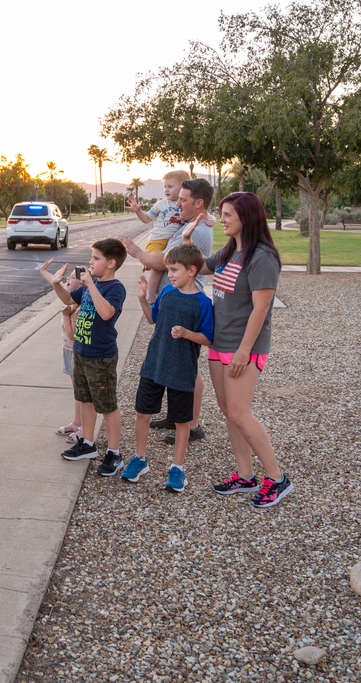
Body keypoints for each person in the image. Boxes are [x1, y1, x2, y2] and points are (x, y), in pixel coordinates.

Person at [182, 192, 292, 508]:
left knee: (241, 413)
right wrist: (188, 238)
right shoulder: (231, 250)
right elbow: (201, 267)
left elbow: (261, 308)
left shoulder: (262, 257)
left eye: (228, 214)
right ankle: (245, 475)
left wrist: (245, 350)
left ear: (247, 216)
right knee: (229, 409)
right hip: (220, 342)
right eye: (222, 213)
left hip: (244, 347)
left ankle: (277, 478)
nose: (223, 219)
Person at [121, 177, 214, 445]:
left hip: (185, 304)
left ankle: (191, 424)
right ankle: (178, 417)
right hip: (173, 299)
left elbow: (162, 261)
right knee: (178, 361)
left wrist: (137, 251)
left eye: (183, 200)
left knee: (187, 367)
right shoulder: (191, 223)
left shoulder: (196, 230)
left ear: (198, 203)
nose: (178, 203)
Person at [120, 242, 214, 492]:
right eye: (168, 270)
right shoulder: (167, 294)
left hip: (182, 370)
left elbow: (207, 337)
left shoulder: (203, 303)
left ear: (191, 271)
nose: (169, 275)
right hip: (154, 364)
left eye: (174, 270)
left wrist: (186, 333)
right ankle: (140, 459)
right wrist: (142, 299)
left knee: (182, 420)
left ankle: (177, 468)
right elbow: (153, 319)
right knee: (142, 412)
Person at [39, 238, 127, 476]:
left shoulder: (114, 287)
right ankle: (87, 443)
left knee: (107, 405)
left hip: (101, 357)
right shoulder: (91, 285)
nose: (90, 263)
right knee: (86, 400)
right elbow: (68, 299)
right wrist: (57, 284)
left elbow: (107, 313)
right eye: (91, 258)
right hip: (81, 352)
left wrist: (91, 285)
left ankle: (114, 453)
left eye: (96, 259)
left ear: (110, 263)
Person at [125, 169, 191, 303]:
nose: (166, 189)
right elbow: (146, 219)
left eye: (170, 186)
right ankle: (151, 296)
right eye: (165, 187)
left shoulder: (185, 205)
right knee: (158, 267)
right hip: (157, 240)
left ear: (184, 187)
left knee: (170, 266)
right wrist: (138, 210)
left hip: (172, 241)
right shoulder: (161, 204)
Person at [54, 271, 83, 445]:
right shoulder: (71, 304)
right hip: (68, 350)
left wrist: (66, 316)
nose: (68, 279)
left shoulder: (77, 308)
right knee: (77, 391)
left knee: (81, 392)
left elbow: (72, 336)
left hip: (75, 352)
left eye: (72, 278)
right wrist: (45, 272)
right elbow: (58, 285)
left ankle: (82, 428)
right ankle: (77, 422)